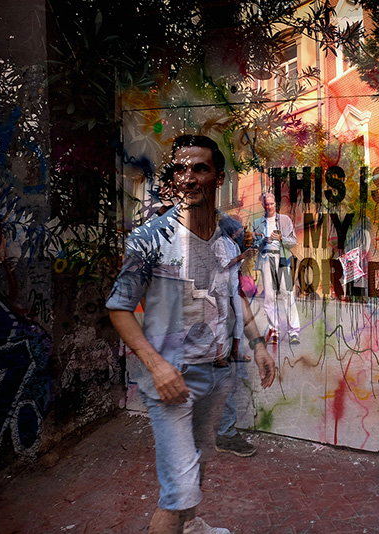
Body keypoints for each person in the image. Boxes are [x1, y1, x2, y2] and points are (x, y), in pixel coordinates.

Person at [107, 135, 276, 534]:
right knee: (178, 491)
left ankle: (191, 527)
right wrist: (157, 368)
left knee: (197, 465)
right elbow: (119, 308)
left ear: (218, 177)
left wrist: (258, 344)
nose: (189, 177)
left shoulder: (231, 232)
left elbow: (233, 292)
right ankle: (180, 521)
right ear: (172, 179)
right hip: (173, 379)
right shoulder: (149, 239)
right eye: (180, 169)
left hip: (217, 373)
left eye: (200, 168)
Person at [211, 219, 259, 457]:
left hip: (231, 288)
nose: (241, 231)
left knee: (237, 319)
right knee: (222, 321)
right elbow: (224, 265)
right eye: (239, 228)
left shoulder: (232, 244)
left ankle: (234, 350)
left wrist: (246, 254)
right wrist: (242, 256)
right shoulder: (220, 243)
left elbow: (236, 267)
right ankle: (221, 353)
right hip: (220, 289)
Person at [251, 193, 300, 345]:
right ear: (263, 205)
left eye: (272, 204)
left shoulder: (285, 220)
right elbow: (253, 244)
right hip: (266, 258)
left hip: (282, 258)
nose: (269, 207)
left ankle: (294, 332)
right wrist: (262, 241)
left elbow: (293, 241)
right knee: (269, 297)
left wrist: (281, 238)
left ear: (275, 204)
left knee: (287, 294)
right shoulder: (257, 223)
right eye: (267, 204)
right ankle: (274, 331)